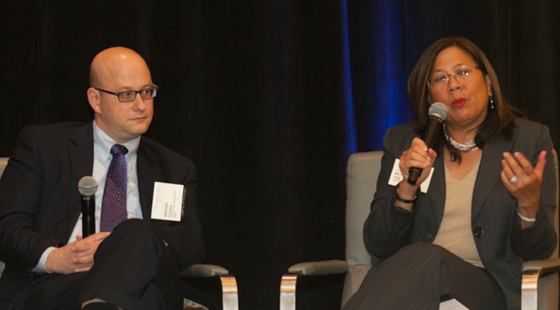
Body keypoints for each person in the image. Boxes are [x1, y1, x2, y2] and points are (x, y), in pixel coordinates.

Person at [343, 37, 557, 310]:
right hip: (413, 290)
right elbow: (380, 245)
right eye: (440, 78)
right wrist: (406, 191)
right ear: (430, 97)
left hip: (489, 292)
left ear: (488, 84)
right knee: (423, 260)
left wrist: (527, 205)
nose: (454, 84)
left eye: (463, 72)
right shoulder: (405, 143)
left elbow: (538, 252)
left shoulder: (528, 140)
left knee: (428, 258)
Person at [0, 47, 218, 310]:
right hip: (60, 283)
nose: (141, 105)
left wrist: (133, 245)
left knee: (135, 231)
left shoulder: (174, 168)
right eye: (127, 95)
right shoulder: (44, 146)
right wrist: (54, 258)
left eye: (147, 92)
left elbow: (192, 243)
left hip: (150, 278)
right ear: (95, 99)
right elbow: (7, 225)